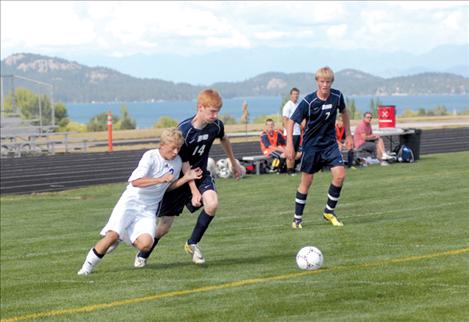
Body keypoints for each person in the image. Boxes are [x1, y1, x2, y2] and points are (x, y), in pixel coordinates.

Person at [134, 88, 241, 266]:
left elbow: (224, 139)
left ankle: (192, 243)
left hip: (200, 174)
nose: (215, 115)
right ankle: (142, 255)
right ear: (200, 107)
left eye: (217, 111)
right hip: (180, 177)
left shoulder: (216, 126)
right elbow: (183, 162)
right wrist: (192, 190)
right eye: (212, 111)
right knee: (164, 227)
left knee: (212, 204)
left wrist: (234, 163)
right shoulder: (184, 130)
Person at [77, 128, 203, 275]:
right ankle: (86, 268)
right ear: (162, 145)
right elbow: (135, 182)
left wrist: (186, 178)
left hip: (149, 209)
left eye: (178, 148)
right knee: (111, 236)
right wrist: (160, 179)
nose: (176, 152)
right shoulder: (150, 156)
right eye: (172, 148)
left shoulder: (177, 162)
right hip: (131, 202)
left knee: (146, 245)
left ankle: (122, 235)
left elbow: (167, 188)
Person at [285, 66, 353, 228]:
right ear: (317, 82)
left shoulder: (337, 96)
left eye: (328, 82)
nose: (325, 85)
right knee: (306, 182)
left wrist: (349, 135)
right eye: (322, 81)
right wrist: (289, 145)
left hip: (329, 144)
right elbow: (291, 121)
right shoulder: (308, 101)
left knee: (340, 175)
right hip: (311, 146)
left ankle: (329, 212)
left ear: (332, 82)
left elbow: (344, 113)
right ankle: (297, 219)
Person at [282, 87, 303, 175]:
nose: (296, 96)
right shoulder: (288, 105)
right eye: (294, 94)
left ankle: (292, 169)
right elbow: (285, 120)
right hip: (291, 133)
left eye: (297, 94)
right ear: (291, 95)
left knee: (295, 153)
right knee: (291, 152)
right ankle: (289, 171)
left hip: (297, 132)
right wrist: (288, 132)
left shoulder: (298, 105)